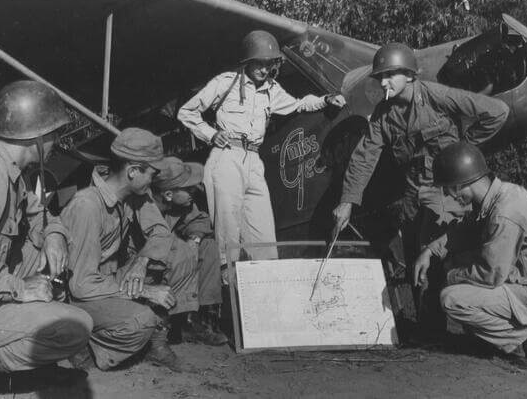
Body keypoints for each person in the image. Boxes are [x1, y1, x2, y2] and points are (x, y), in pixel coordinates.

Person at [0, 81, 93, 380]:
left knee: (50, 258)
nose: (56, 140)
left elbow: (39, 214)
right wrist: (19, 289)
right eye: (54, 133)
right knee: (75, 327)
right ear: (37, 136)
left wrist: (53, 235)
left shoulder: (9, 169)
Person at [333, 42, 510, 273]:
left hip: (446, 191)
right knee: (414, 264)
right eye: (380, 77)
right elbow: (364, 156)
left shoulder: (435, 95)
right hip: (412, 195)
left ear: (409, 75)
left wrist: (464, 146)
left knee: (441, 262)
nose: (383, 83)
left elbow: (497, 112)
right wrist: (347, 201)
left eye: (389, 75)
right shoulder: (383, 115)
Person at [178, 30, 346, 266]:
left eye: (269, 64)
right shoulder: (225, 82)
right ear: (248, 60)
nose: (264, 69)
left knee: (264, 233)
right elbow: (186, 112)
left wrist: (326, 99)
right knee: (228, 231)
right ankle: (228, 278)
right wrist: (211, 134)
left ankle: (264, 276)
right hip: (227, 157)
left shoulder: (272, 89)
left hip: (254, 161)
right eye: (259, 63)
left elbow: (298, 105)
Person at [414, 142, 527, 369]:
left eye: (449, 189)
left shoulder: (504, 213)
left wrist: (450, 273)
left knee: (452, 298)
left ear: (460, 185)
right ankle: (510, 333)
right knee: (464, 279)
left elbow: (490, 275)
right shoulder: (501, 194)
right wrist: (431, 250)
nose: (449, 196)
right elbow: (465, 230)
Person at [62, 127, 197, 371]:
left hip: (108, 281)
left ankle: (155, 344)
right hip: (79, 295)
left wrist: (142, 261)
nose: (154, 180)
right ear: (133, 171)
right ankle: (84, 343)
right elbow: (81, 284)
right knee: (141, 320)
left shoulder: (133, 193)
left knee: (181, 254)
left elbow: (161, 232)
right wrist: (145, 291)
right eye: (152, 174)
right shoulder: (87, 205)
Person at [152, 156, 228, 346]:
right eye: (187, 189)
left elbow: (199, 220)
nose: (194, 191)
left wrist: (194, 240)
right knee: (180, 252)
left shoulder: (180, 204)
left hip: (169, 266)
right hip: (143, 275)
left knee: (208, 246)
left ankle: (198, 320)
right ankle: (167, 324)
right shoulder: (143, 208)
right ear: (168, 194)